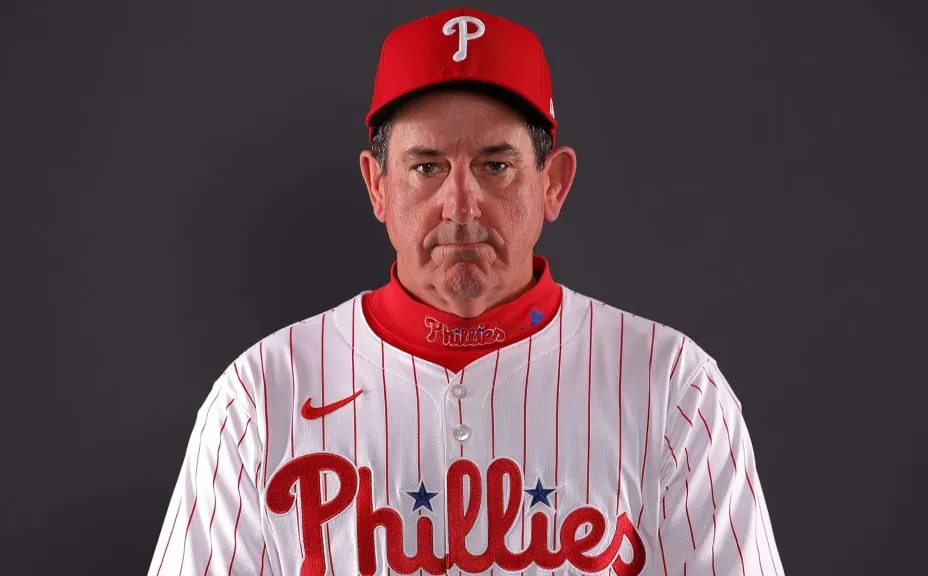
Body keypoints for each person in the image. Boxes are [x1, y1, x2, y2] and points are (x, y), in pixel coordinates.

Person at [147, 7, 784, 576]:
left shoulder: (672, 387)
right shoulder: (260, 397)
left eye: (495, 165)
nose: (460, 204)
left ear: (552, 184)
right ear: (377, 186)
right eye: (426, 167)